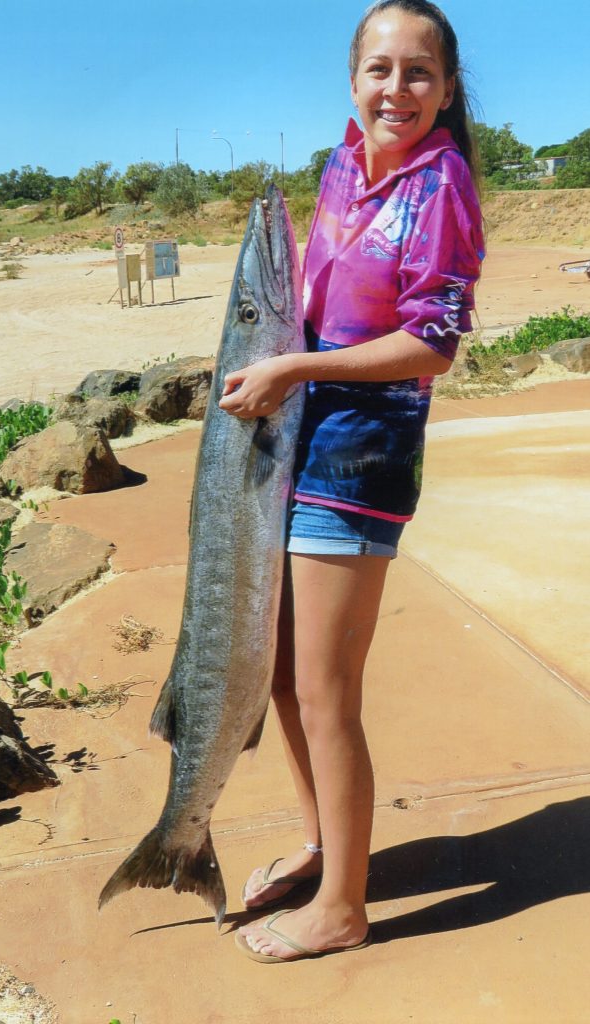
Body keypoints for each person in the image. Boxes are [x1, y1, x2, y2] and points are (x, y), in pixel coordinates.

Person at [219, 0, 484, 964]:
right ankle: (326, 845)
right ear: (351, 77)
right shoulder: (339, 163)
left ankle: (344, 906)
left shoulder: (440, 184)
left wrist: (293, 371)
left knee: (326, 690)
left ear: (447, 89)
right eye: (380, 69)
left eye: (419, 72)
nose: (397, 89)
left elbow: (435, 342)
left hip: (360, 455)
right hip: (299, 440)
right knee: (284, 676)